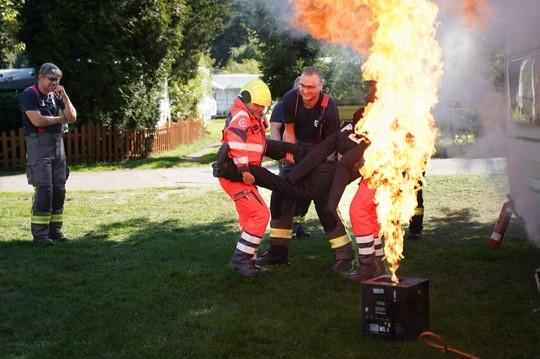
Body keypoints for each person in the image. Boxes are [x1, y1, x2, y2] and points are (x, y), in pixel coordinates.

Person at [257, 67, 355, 273]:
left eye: (310, 87)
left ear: (320, 86)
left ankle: (344, 256)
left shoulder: (328, 107)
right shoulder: (290, 99)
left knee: (324, 204)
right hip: (297, 148)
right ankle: (277, 252)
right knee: (281, 195)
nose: (305, 91)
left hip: (321, 154)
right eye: (302, 86)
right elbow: (289, 131)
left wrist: (324, 172)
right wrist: (288, 154)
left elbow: (332, 146)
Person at [216, 78, 273, 278]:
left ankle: (249, 261)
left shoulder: (249, 115)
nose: (260, 109)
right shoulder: (242, 115)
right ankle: (240, 260)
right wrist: (244, 170)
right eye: (257, 105)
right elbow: (235, 141)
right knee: (260, 214)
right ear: (247, 98)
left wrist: (260, 121)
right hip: (236, 176)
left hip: (239, 176)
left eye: (263, 107)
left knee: (249, 218)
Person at [21, 62, 77, 246]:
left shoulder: (57, 95)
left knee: (59, 189)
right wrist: (61, 119)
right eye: (51, 79)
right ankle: (41, 235)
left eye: (58, 79)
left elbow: (73, 116)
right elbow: (37, 120)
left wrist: (65, 95)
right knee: (44, 189)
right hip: (39, 145)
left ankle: (56, 231)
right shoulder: (30, 94)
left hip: (57, 145)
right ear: (41, 77)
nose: (55, 83)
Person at [270, 78, 313, 240]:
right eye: (300, 87)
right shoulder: (282, 106)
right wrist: (280, 153)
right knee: (290, 192)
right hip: (288, 158)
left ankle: (299, 225)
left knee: (306, 193)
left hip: (305, 158)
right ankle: (287, 228)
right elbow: (275, 129)